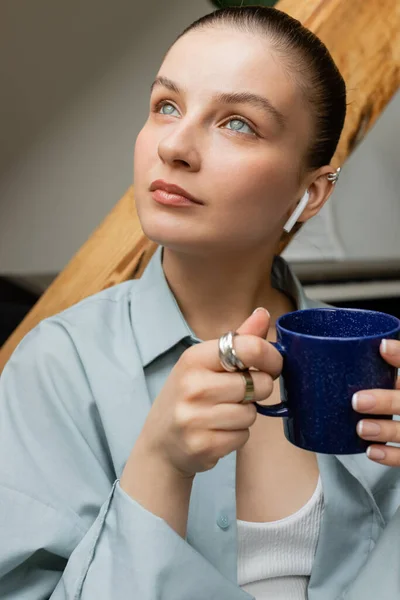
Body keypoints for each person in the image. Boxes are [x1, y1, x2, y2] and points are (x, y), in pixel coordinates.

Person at [1, 5, 400, 600]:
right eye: (166, 106)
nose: (176, 147)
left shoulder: (380, 371)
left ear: (310, 192)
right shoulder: (56, 369)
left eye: (237, 123)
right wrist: (160, 465)